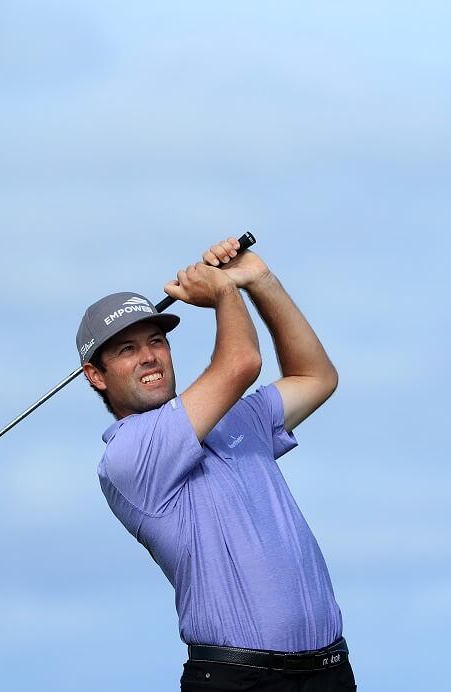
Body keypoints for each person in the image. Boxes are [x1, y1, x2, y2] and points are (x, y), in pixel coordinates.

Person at [75, 237, 356, 691]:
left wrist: (260, 281)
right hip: (237, 681)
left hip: (329, 674)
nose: (149, 355)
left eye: (156, 340)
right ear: (96, 375)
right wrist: (225, 293)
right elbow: (242, 361)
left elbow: (316, 377)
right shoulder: (127, 455)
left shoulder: (234, 415)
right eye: (126, 350)